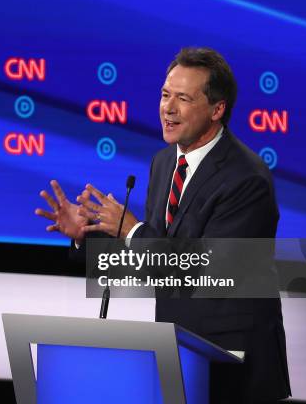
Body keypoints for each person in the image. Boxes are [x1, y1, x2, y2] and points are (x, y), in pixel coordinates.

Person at [36, 47, 290, 403]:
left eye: (183, 98)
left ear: (217, 109)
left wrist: (133, 232)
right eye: (165, 95)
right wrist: (85, 240)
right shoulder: (163, 163)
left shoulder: (246, 179)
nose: (167, 108)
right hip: (179, 359)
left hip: (234, 365)